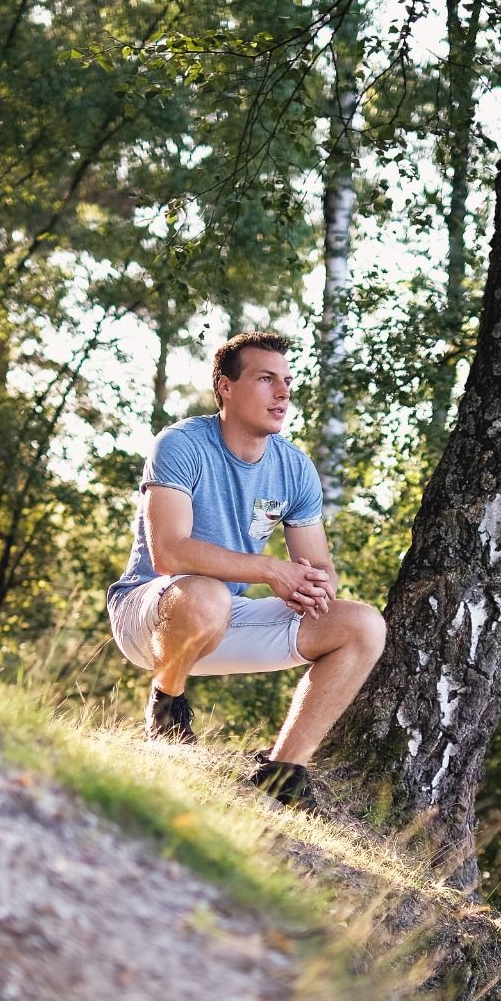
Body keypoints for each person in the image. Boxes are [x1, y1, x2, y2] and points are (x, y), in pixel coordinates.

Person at [107, 331, 386, 808]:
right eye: (265, 379)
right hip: (150, 613)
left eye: (287, 382)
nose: (282, 393)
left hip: (224, 615)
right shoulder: (181, 444)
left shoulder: (295, 468)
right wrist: (271, 571)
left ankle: (283, 772)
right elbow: (169, 554)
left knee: (364, 625)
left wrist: (313, 586)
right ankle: (167, 707)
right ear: (226, 387)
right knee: (206, 595)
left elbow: (320, 565)